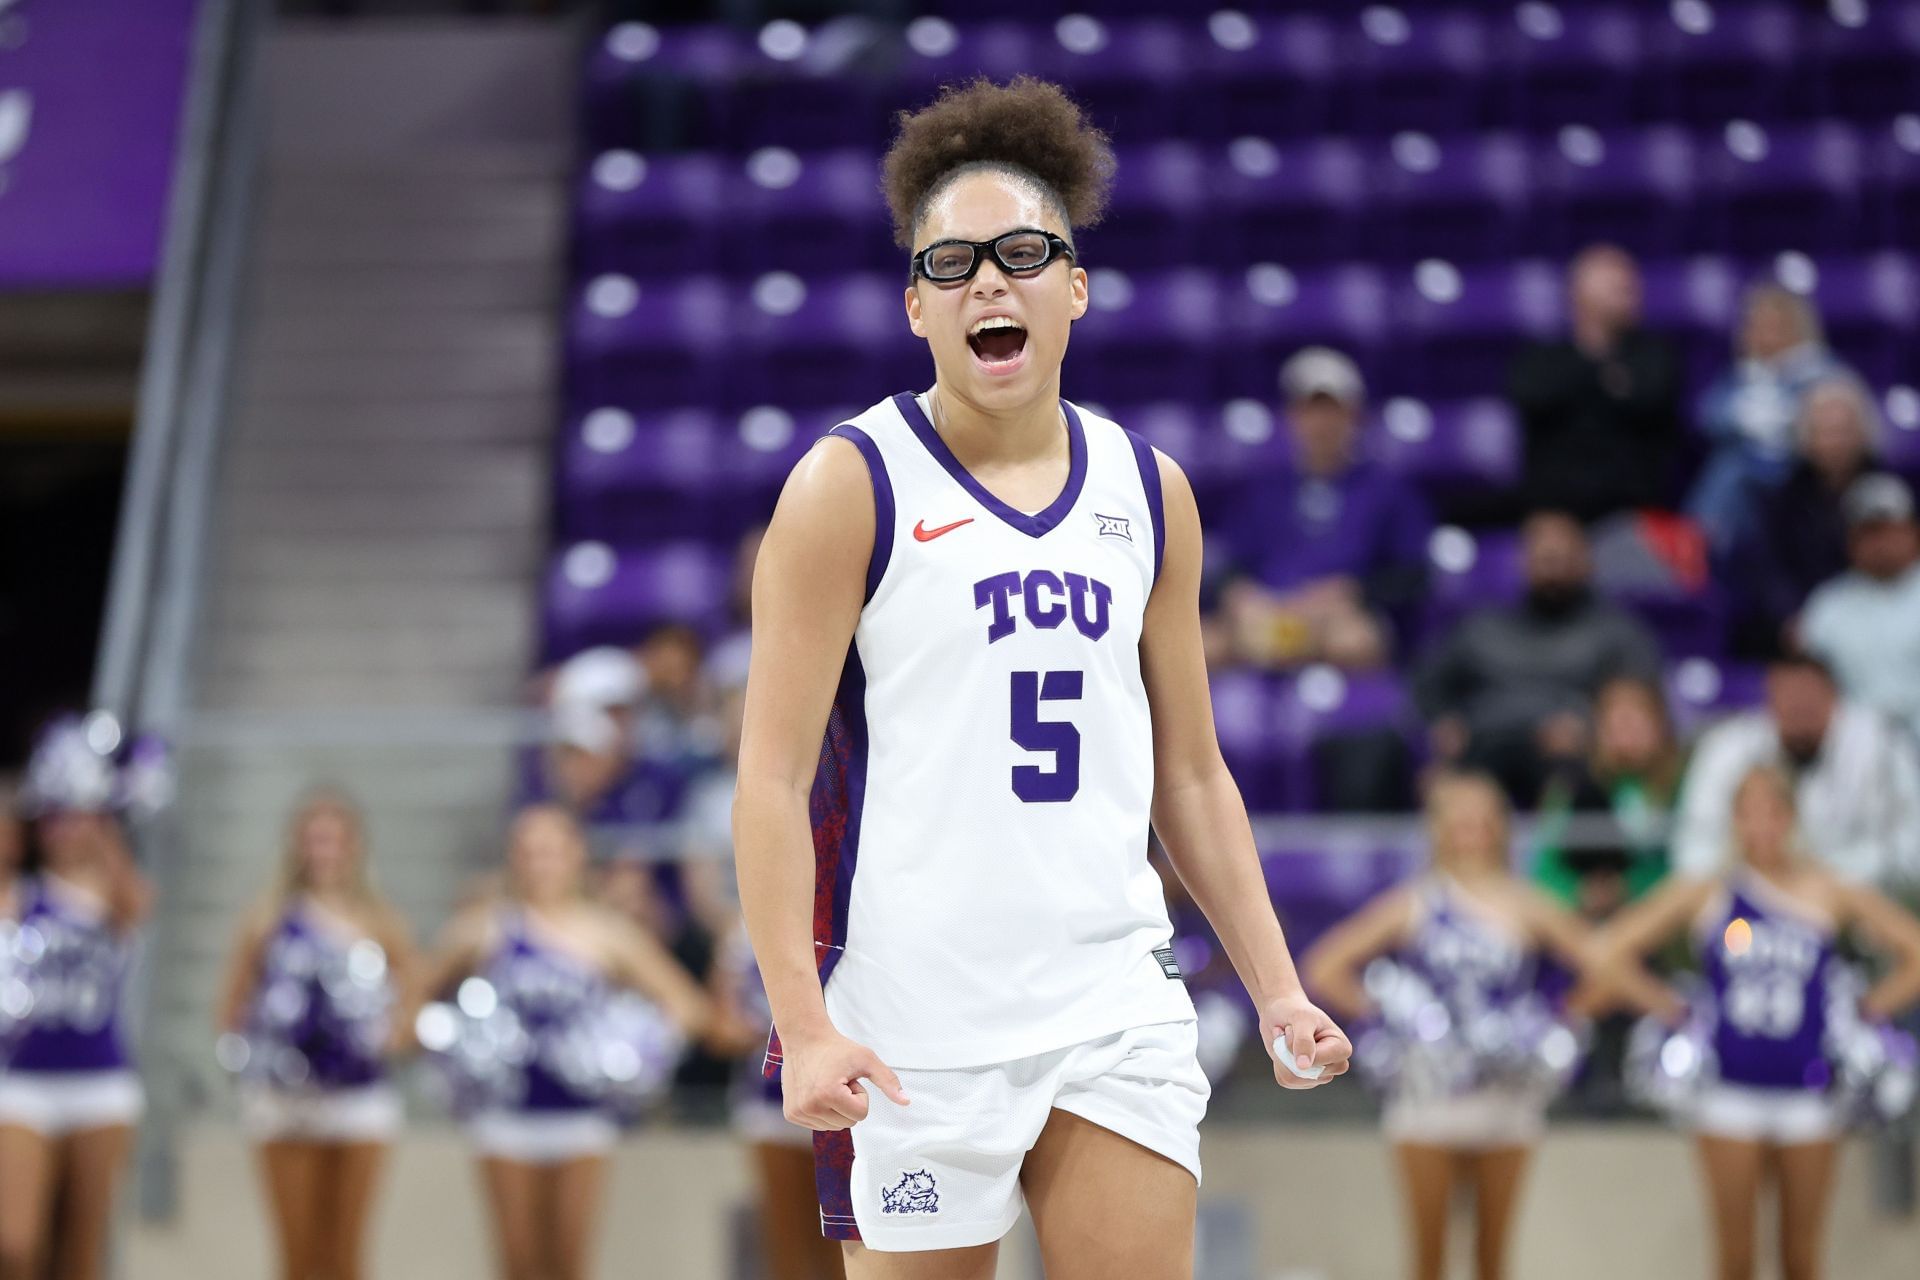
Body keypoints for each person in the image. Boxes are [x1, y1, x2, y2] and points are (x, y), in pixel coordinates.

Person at [732, 76, 1349, 1278]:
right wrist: (802, 1022)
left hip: (1111, 1004)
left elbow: (1193, 770)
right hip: (911, 1019)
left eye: (1021, 252)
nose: (988, 281)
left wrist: (1278, 986)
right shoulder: (847, 485)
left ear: (1075, 283)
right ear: (917, 306)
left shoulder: (1148, 488)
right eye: (952, 264)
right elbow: (767, 777)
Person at [1597, 765, 1920, 1280]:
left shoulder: (1827, 888)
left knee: (1800, 1259)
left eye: (1773, 812)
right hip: (1729, 1094)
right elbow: (1611, 950)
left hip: (1809, 1094)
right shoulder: (1709, 890)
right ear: (1733, 821)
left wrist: (1866, 1009)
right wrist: (1673, 1007)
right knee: (1735, 1260)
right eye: (1748, 813)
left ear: (1792, 818)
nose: (1761, 826)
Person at [1304, 773, 1597, 1280]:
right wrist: (1391, 1018)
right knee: (1427, 1260)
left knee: (1493, 1259)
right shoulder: (1414, 901)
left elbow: (1603, 966)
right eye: (1458, 816)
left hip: (1505, 1098)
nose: (1471, 828)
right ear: (1437, 827)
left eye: (1483, 816)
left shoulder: (1527, 902)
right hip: (1427, 1100)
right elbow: (1325, 966)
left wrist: (1552, 1019)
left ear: (1502, 827)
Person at [420, 805, 714, 1280]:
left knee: (570, 1265)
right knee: (517, 1263)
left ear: (577, 855)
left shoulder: (607, 931)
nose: (542, 863)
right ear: (514, 858)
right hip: (505, 1119)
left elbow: (688, 1007)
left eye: (554, 850)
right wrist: (455, 1048)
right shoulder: (485, 927)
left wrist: (636, 1052)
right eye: (530, 851)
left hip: (582, 1120)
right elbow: (418, 994)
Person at [215, 789, 416, 1280]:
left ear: (355, 847)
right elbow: (230, 1007)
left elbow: (412, 999)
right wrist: (267, 1049)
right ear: (296, 847)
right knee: (296, 1256)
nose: (323, 850)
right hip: (284, 1103)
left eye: (334, 839)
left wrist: (387, 1037)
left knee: (345, 1255)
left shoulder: (381, 921)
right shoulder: (266, 918)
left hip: (357, 1099)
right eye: (313, 839)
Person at [0, 724, 154, 1280]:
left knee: (80, 1253)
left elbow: (136, 905)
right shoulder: (19, 894)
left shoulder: (112, 894)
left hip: (99, 1083)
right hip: (21, 1084)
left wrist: (100, 810)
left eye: (74, 817)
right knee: (15, 1245)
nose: (63, 828)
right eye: (54, 817)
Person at [1415, 511, 1664, 805]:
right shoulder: (1483, 628)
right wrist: (1443, 722)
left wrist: (1591, 729)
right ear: (1523, 561)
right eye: (1544, 558)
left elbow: (1641, 707)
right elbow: (1426, 685)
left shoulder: (1616, 634)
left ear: (1586, 562)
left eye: (1561, 557)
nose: (1552, 569)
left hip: (1575, 763)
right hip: (1483, 750)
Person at [1217, 345, 1431, 672]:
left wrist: (1354, 592)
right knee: (1202, 646)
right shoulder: (1262, 488)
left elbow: (1412, 574)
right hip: (1267, 617)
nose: (1321, 423)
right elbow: (1229, 565)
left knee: (1353, 643)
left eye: (1332, 411)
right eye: (1310, 411)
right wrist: (1241, 597)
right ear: (1292, 417)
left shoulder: (1388, 490)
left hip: (1340, 621)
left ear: (1355, 415)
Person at [1670, 652, 1920, 892]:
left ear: (1834, 699)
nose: (1799, 714)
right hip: (1748, 901)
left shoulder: (1882, 745)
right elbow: (1693, 851)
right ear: (1769, 702)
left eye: (1809, 704)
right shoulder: (1726, 749)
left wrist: (1815, 885)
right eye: (1789, 703)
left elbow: (1911, 852)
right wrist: (1766, 888)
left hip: (1858, 903)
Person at [1506, 244, 1684, 523]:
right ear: (1580, 293)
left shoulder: (1654, 355)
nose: (1632, 292)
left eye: (1632, 285)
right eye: (1617, 286)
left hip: (1632, 514)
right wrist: (1604, 374)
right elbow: (1530, 395)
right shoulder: (1543, 357)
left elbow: (1649, 398)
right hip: (1555, 516)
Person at [1688, 285, 1848, 557]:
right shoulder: (1743, 374)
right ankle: (1699, 547)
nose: (1765, 335)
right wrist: (1744, 419)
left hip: (1801, 473)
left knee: (1739, 470)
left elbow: (1833, 428)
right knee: (1731, 468)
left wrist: (1778, 422)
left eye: (1775, 326)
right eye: (1757, 326)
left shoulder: (1823, 371)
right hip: (1747, 482)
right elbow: (1708, 418)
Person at [1746, 376, 1886, 656]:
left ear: (1863, 433)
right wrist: (1794, 617)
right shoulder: (1783, 498)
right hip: (1810, 623)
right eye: (1825, 432)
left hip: (1887, 613)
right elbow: (1770, 569)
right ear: (1806, 438)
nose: (1835, 443)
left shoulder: (1890, 489)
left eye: (1843, 431)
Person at [1532, 675, 1686, 921]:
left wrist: (1629, 888)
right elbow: (1544, 870)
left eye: (1635, 723)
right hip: (1578, 924)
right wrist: (1579, 894)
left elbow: (1693, 868)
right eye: (1615, 724)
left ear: (1659, 727)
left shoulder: (1682, 788)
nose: (1625, 736)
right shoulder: (1570, 787)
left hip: (1660, 920)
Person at [1800, 473, 1920, 742]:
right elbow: (1808, 683)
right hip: (1856, 747)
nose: (1878, 544)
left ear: (1912, 530)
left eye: (1886, 530)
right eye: (1866, 533)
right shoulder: (1828, 605)